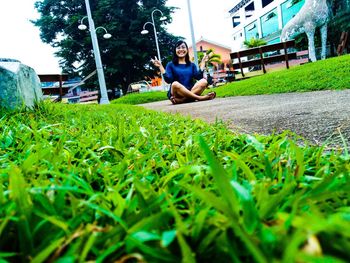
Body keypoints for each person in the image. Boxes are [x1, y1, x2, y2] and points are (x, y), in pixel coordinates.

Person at [152, 40, 216, 104]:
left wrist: (203, 62)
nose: (181, 49)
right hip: (176, 93)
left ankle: (183, 100)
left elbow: (198, 77)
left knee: (204, 81)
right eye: (178, 48)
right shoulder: (170, 64)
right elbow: (169, 80)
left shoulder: (191, 65)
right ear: (175, 51)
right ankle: (200, 98)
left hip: (191, 91)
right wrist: (160, 66)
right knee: (175, 84)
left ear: (187, 50)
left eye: (183, 47)